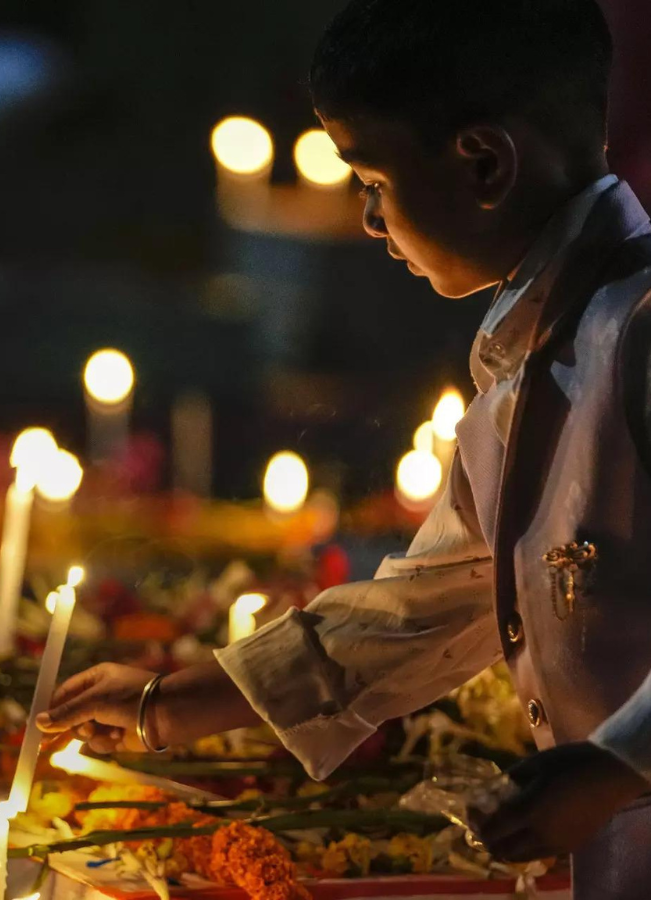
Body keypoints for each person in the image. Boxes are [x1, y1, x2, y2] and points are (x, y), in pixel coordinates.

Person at [37, 1, 651, 896]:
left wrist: (613, 768)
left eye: (372, 178)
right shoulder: (532, 356)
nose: (367, 219)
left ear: (483, 162)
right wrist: (170, 704)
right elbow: (430, 604)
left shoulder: (636, 333)